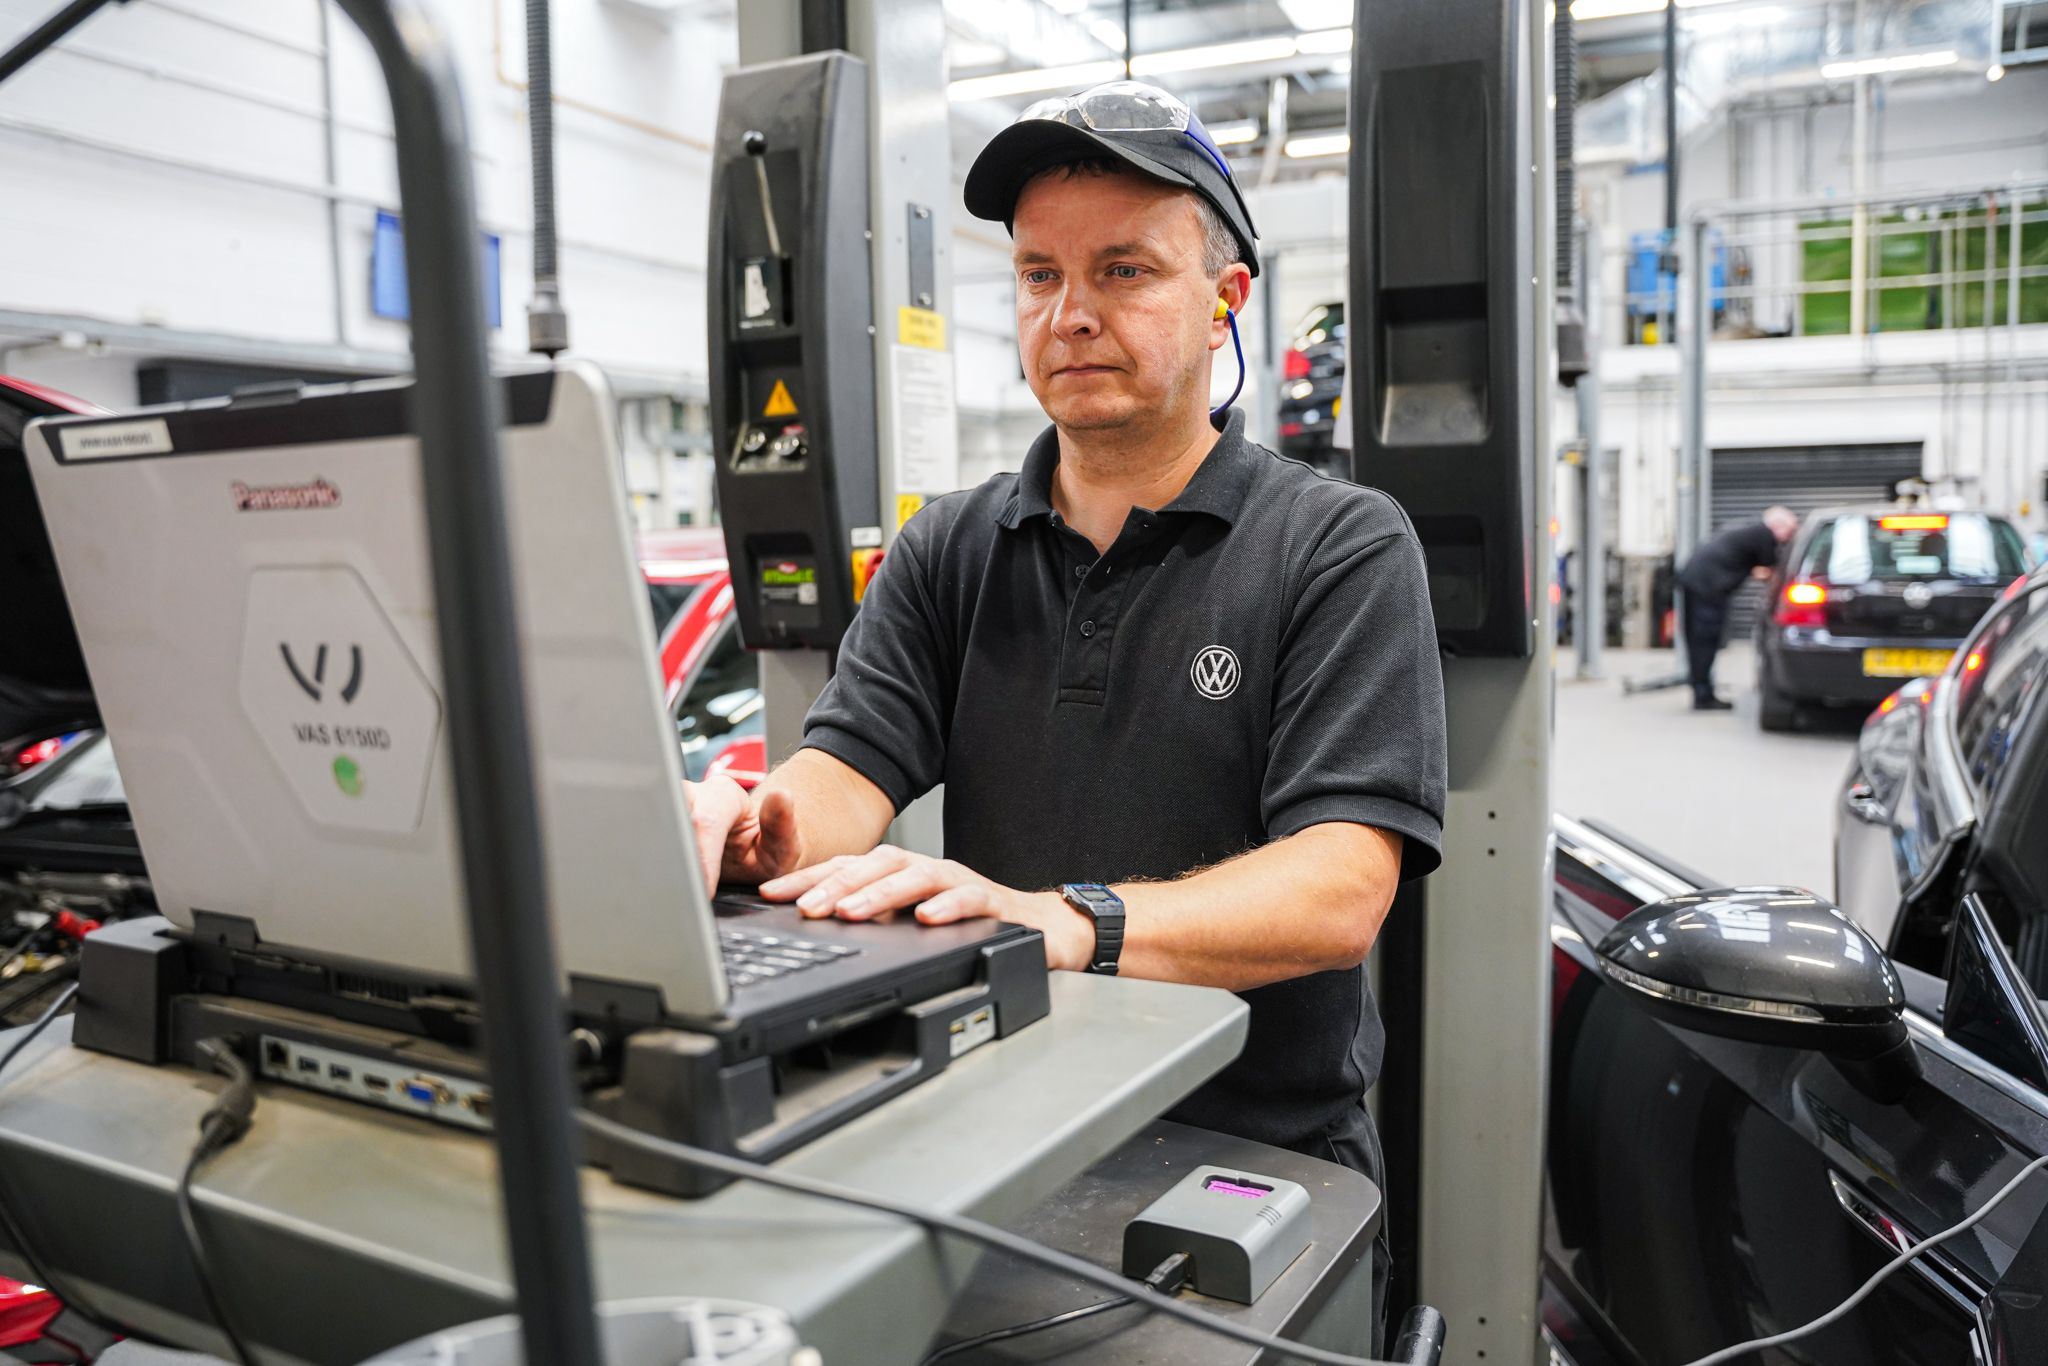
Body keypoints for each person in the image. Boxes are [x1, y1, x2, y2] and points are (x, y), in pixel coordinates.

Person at [687, 80, 1446, 1351]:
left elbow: (1337, 892)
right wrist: (760, 828)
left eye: (1123, 269)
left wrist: (1056, 923)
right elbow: (844, 770)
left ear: (1224, 300)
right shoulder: (953, 547)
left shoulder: (1337, 546)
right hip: (1000, 1131)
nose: (1071, 312)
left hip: (1252, 1160)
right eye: (1037, 274)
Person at [1676, 505, 1800, 710]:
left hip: (1698, 582)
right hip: (1708, 586)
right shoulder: (1763, 535)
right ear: (1777, 526)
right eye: (1791, 531)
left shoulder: (1750, 531)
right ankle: (1702, 695)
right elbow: (1773, 571)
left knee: (1698, 640)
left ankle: (1701, 689)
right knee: (1705, 640)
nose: (1789, 537)